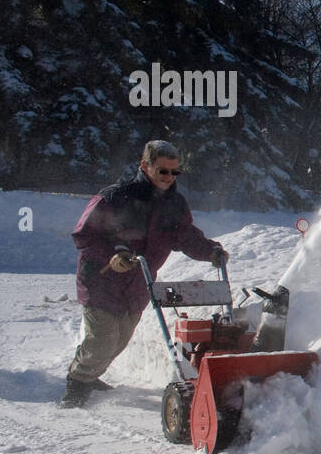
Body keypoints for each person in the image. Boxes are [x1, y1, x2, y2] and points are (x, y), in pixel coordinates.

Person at [59, 140, 228, 408]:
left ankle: (90, 373)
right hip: (101, 280)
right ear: (144, 166)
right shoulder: (115, 197)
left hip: (138, 284)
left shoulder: (175, 204)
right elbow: (84, 235)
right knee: (102, 339)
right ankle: (77, 384)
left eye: (175, 172)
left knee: (120, 340)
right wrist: (112, 256)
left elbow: (185, 236)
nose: (169, 178)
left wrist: (210, 251)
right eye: (163, 171)